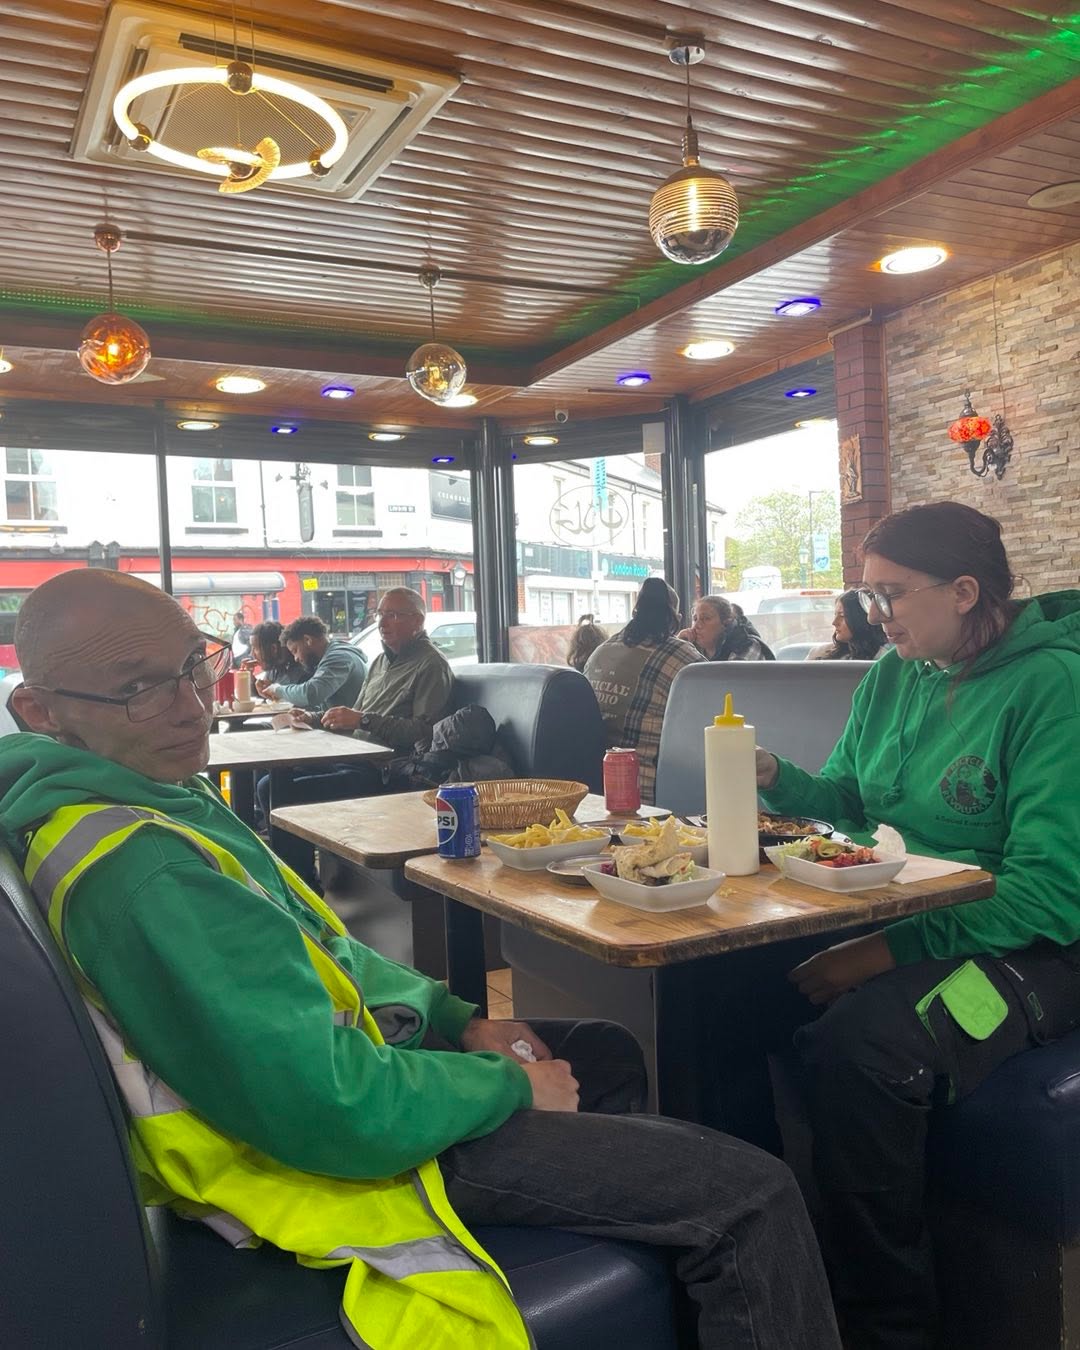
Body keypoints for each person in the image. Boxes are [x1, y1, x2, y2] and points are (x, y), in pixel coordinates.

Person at [2, 568, 840, 1350]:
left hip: (319, 1093)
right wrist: (509, 1086)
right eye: (141, 690)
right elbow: (329, 1108)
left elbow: (320, 950)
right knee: (749, 1192)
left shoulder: (150, 798)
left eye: (192, 665)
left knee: (602, 1052)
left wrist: (457, 1018)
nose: (189, 705)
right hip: (306, 1160)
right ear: (39, 711)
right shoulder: (147, 869)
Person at [753, 501, 1080, 1349]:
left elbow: (1046, 896)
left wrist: (885, 951)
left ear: (965, 591)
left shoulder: (1053, 686)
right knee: (723, 989)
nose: (875, 616)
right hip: (907, 918)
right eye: (867, 597)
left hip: (1038, 953)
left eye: (891, 596)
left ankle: (888, 1323)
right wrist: (769, 775)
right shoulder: (895, 673)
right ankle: (768, 1262)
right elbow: (848, 805)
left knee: (867, 1044)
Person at [261, 588, 455, 878]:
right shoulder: (379, 662)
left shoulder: (431, 665)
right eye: (380, 614)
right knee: (268, 782)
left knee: (283, 792)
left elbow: (424, 732)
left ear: (417, 621)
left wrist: (364, 721)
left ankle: (303, 893)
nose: (382, 622)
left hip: (384, 772)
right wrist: (312, 717)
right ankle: (296, 882)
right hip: (353, 756)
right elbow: (353, 711)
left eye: (393, 615)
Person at [583, 577, 703, 804]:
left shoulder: (601, 651)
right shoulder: (683, 657)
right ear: (675, 619)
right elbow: (711, 709)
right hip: (646, 794)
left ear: (635, 611)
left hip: (596, 791)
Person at [256, 614, 367, 714]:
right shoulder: (331, 656)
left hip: (352, 734)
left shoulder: (339, 657)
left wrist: (277, 690)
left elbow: (312, 693)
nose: (296, 658)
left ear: (307, 640)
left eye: (295, 650)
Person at [679, 595, 776, 661]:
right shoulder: (692, 645)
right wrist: (680, 644)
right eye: (695, 619)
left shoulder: (745, 645)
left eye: (706, 618)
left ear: (726, 623)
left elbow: (727, 688)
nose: (697, 625)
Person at [808, 590, 889, 661]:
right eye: (835, 615)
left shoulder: (884, 658)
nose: (834, 622)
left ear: (860, 620)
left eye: (842, 616)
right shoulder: (819, 652)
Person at [249, 619, 306, 686]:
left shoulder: (299, 677)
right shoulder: (273, 668)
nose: (252, 654)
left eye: (255, 648)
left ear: (273, 648)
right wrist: (251, 679)